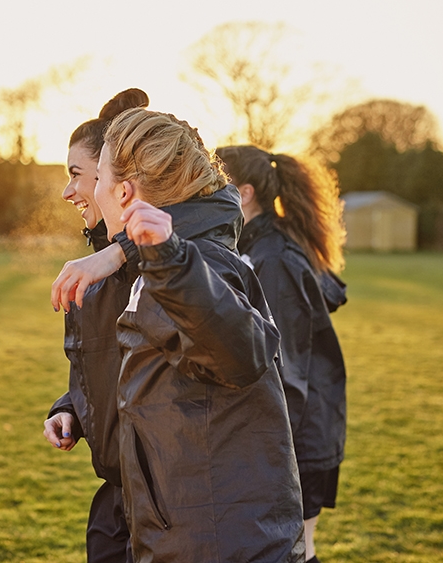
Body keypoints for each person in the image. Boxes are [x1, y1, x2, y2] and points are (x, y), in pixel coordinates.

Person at [56, 109, 305, 562]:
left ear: (124, 191)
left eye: (96, 179)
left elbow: (239, 351)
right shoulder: (169, 265)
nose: (87, 191)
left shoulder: (197, 265)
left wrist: (168, 260)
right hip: (189, 536)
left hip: (218, 546)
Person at [216, 145, 348, 563]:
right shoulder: (255, 247)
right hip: (292, 434)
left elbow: (286, 366)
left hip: (299, 439)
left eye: (219, 181)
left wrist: (266, 446)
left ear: (245, 193)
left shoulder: (273, 258)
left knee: (296, 552)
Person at [43, 87, 149, 563]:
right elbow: (110, 365)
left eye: (76, 175)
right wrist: (71, 409)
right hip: (115, 496)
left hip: (162, 501)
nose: (67, 191)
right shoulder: (97, 269)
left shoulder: (160, 265)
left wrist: (123, 250)